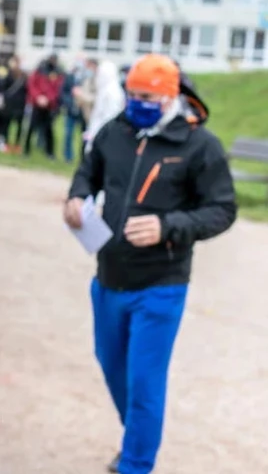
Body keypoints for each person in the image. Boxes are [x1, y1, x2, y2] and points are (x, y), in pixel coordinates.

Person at [63, 54, 237, 474]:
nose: (136, 103)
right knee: (111, 365)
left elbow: (222, 209)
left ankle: (136, 463)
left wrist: (168, 225)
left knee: (144, 381)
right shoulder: (116, 130)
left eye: (147, 97)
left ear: (170, 96)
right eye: (132, 94)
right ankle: (138, 436)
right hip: (108, 277)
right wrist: (76, 196)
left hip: (161, 284)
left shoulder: (200, 145)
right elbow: (89, 171)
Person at [23, 53, 63, 158]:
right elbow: (32, 85)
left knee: (49, 130)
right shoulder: (39, 70)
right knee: (31, 128)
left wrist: (48, 99)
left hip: (49, 106)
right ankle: (26, 150)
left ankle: (49, 152)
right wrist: (38, 97)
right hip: (37, 104)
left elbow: (57, 89)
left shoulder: (58, 72)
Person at [84, 60, 125, 155]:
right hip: (97, 132)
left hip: (103, 135)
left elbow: (109, 117)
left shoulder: (113, 92)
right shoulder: (105, 90)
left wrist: (96, 133)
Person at [60, 55, 88, 163]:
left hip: (83, 112)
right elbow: (64, 92)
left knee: (85, 136)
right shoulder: (69, 76)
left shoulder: (87, 77)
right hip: (71, 110)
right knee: (68, 134)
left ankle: (83, 158)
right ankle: (68, 156)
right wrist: (69, 103)